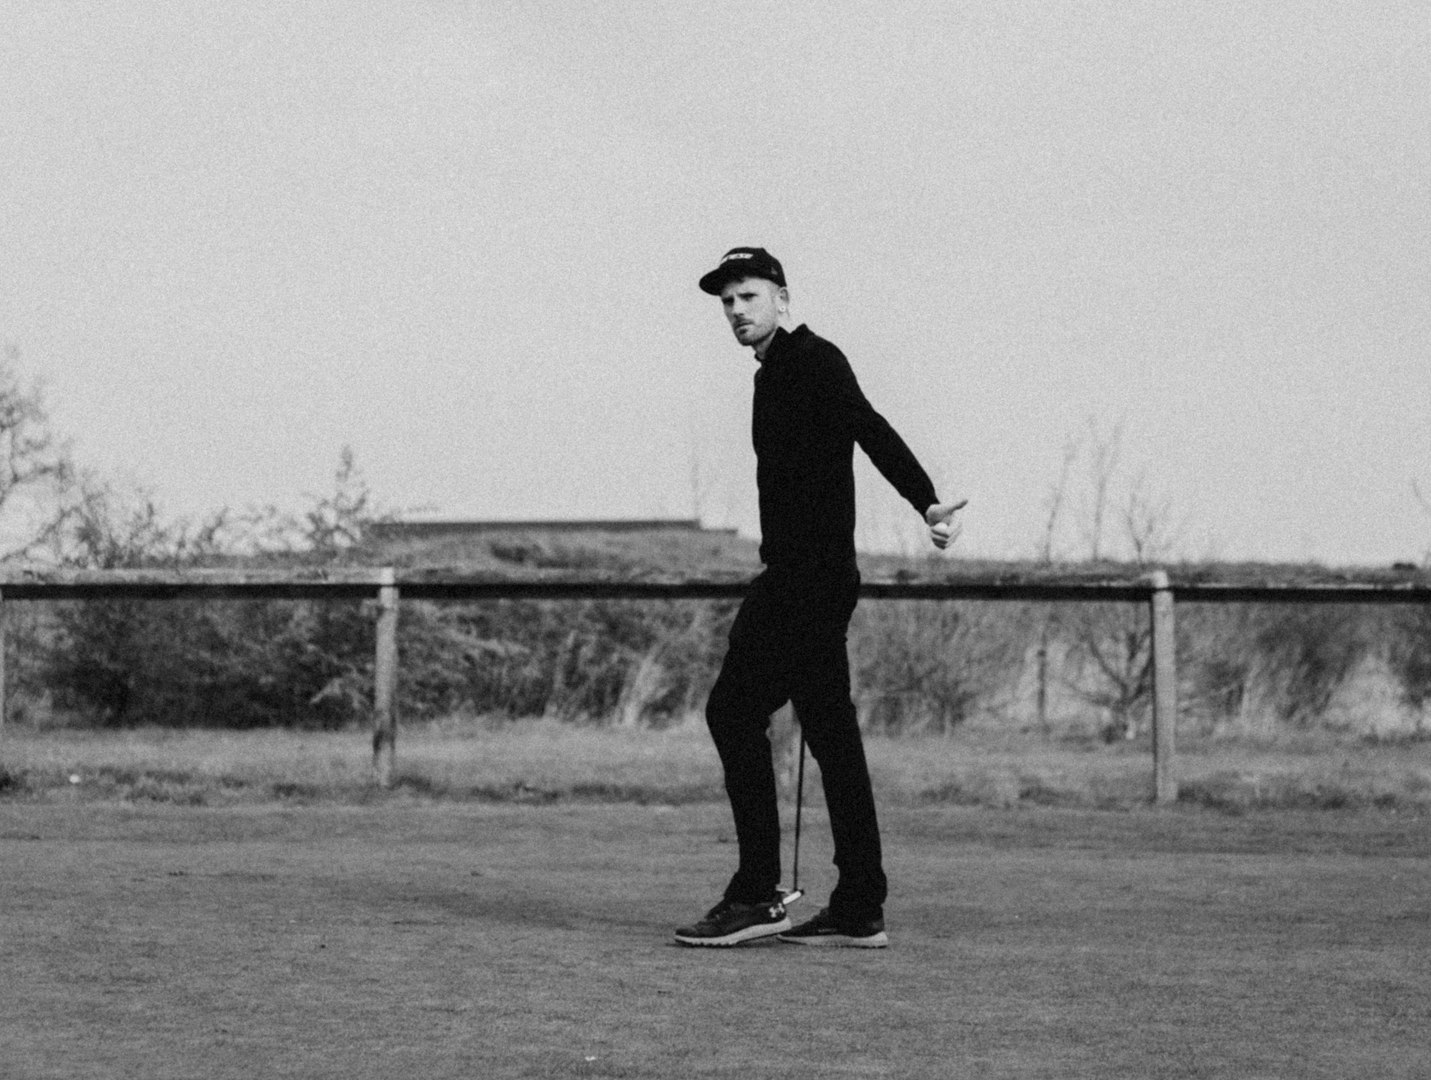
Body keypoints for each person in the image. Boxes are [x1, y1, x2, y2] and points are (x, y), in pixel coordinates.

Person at [674, 247, 965, 948]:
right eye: (726, 303)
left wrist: (925, 500)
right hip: (808, 577)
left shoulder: (812, 360)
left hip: (805, 582)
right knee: (830, 735)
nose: (737, 312)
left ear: (781, 297)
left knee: (731, 712)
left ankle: (754, 895)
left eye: (747, 296)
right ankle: (860, 903)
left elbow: (869, 426)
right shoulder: (774, 372)